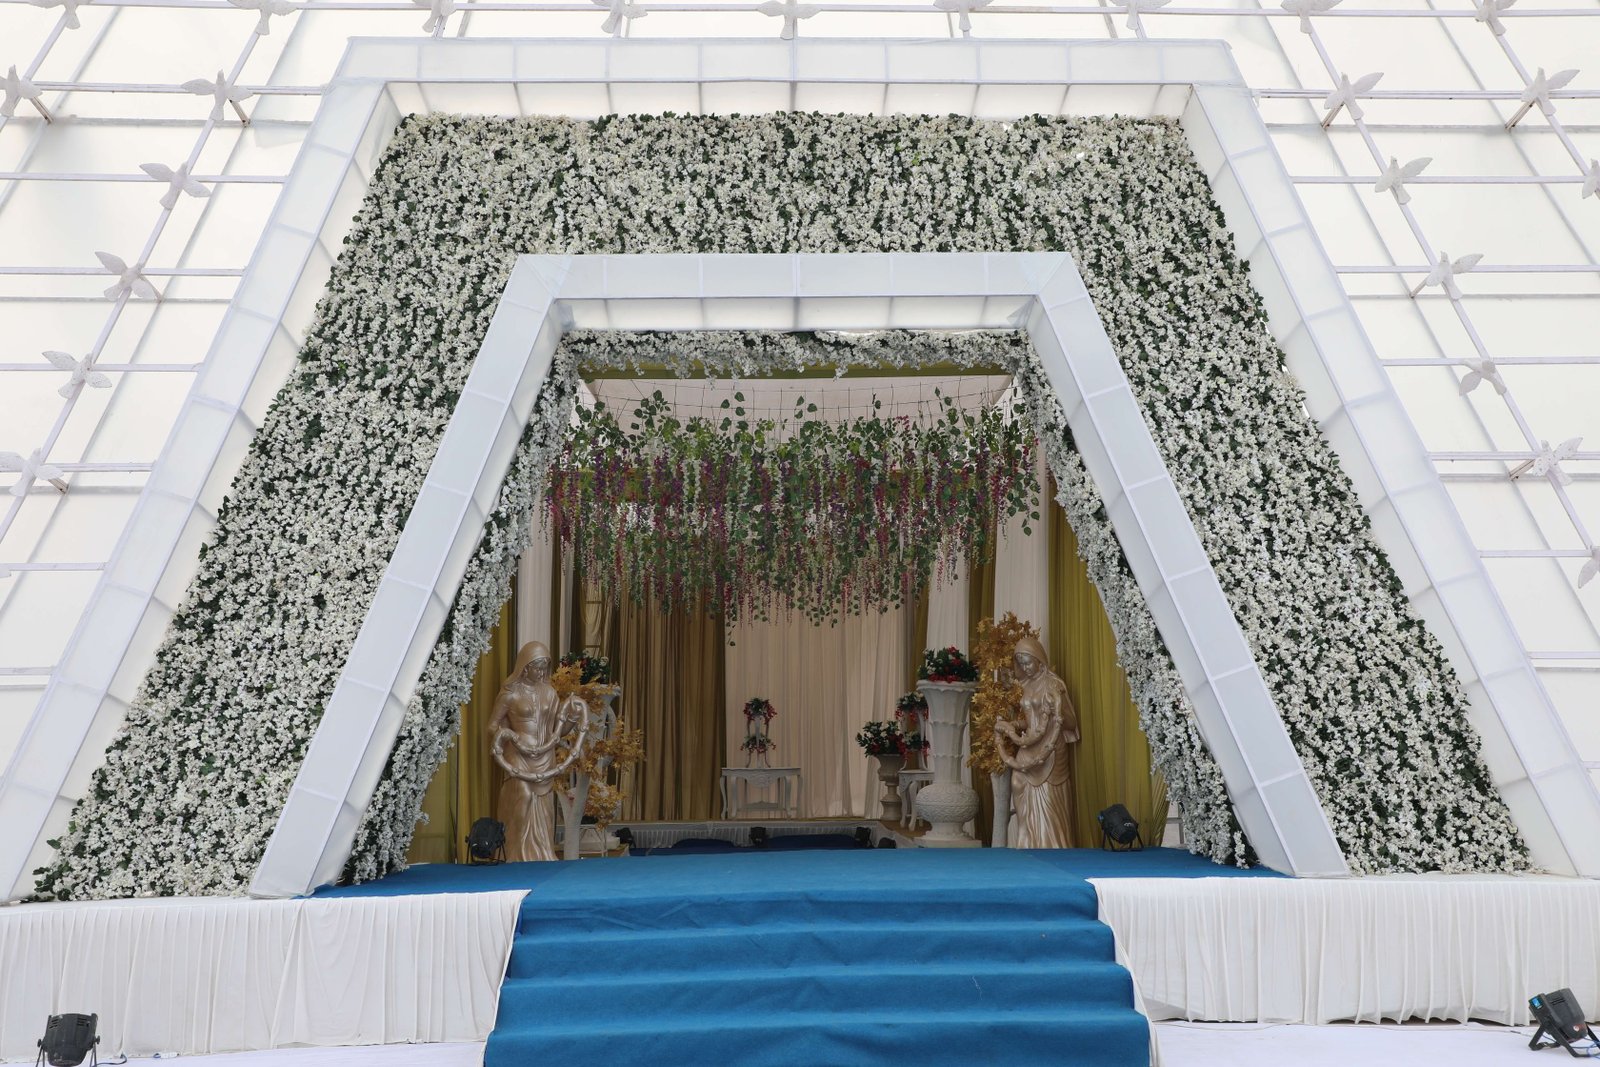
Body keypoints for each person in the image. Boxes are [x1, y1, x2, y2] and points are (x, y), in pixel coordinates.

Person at [488, 641, 585, 861]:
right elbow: (492, 725)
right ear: (525, 667)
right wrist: (508, 734)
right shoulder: (510, 694)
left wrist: (572, 718)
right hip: (518, 755)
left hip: (545, 756)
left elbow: (557, 731)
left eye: (544, 668)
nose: (541, 673)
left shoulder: (549, 693)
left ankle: (542, 855)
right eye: (537, 668)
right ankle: (514, 855)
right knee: (522, 796)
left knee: (545, 808)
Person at [995, 634, 1077, 849]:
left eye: (1028, 662)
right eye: (1021, 663)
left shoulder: (1054, 685)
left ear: (1039, 659)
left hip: (1050, 749)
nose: (1026, 668)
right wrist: (1012, 725)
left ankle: (1053, 847)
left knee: (1048, 798)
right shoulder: (1025, 685)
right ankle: (1026, 845)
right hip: (1029, 745)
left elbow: (1070, 722)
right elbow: (1029, 720)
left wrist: (1054, 714)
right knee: (1018, 783)